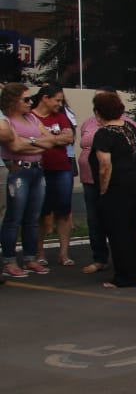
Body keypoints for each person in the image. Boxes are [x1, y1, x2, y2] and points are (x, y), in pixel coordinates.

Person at [90, 92, 136, 289]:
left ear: (98, 113)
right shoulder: (130, 127)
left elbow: (105, 165)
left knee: (117, 231)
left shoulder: (104, 134)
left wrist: (103, 190)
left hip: (117, 187)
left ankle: (125, 276)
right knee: (132, 228)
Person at [2, 83, 59, 278]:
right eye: (25, 99)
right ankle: (9, 261)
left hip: (37, 170)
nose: (30, 103)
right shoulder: (7, 120)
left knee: (32, 218)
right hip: (19, 170)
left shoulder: (32, 118)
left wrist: (31, 143)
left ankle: (29, 257)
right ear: (13, 101)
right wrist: (38, 144)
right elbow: (15, 146)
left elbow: (51, 139)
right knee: (13, 218)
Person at [30, 85, 77, 266]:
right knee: (42, 211)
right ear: (45, 98)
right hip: (40, 168)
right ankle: (39, 252)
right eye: (57, 100)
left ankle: (64, 253)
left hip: (61, 168)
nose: (60, 103)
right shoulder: (31, 117)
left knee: (64, 211)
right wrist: (55, 139)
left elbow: (69, 138)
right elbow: (26, 139)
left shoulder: (61, 117)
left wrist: (45, 139)